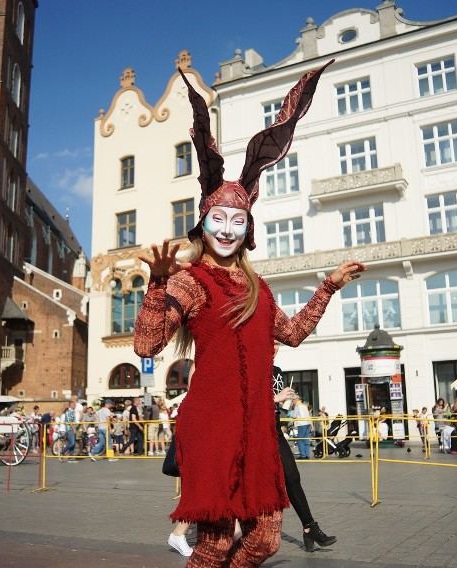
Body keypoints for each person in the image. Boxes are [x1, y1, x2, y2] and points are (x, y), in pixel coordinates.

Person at [134, 59, 364, 567]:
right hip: (212, 426)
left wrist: (329, 286)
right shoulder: (189, 281)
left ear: (248, 228)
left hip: (258, 428)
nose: (227, 228)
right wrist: (154, 287)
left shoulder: (258, 288)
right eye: (219, 218)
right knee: (214, 544)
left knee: (264, 540)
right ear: (204, 222)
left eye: (238, 220)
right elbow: (147, 346)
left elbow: (295, 334)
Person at [272, 348, 336, 552]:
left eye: (277, 343)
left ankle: (310, 528)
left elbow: (279, 407)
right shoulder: (250, 367)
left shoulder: (276, 371)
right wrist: (274, 399)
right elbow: (245, 403)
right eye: (271, 341)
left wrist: (286, 403)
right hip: (253, 433)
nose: (274, 347)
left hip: (273, 430)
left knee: (292, 477)